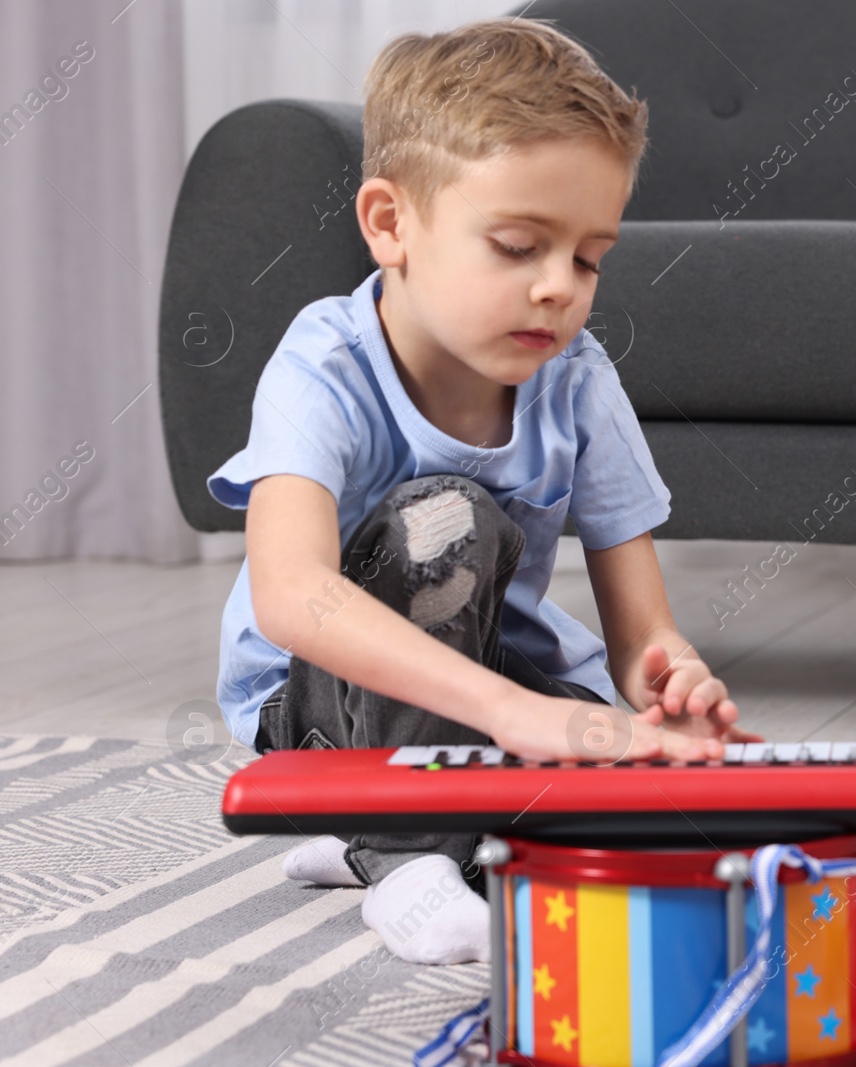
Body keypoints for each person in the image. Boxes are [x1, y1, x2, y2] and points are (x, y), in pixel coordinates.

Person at [209, 17, 751, 965]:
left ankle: (365, 837)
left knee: (667, 807)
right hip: (309, 713)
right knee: (450, 514)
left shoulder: (578, 378)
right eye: (516, 245)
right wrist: (515, 717)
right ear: (390, 225)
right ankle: (407, 856)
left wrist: (665, 684)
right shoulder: (323, 364)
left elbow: (641, 633)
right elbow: (291, 595)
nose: (559, 288)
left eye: (589, 257)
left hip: (483, 691)